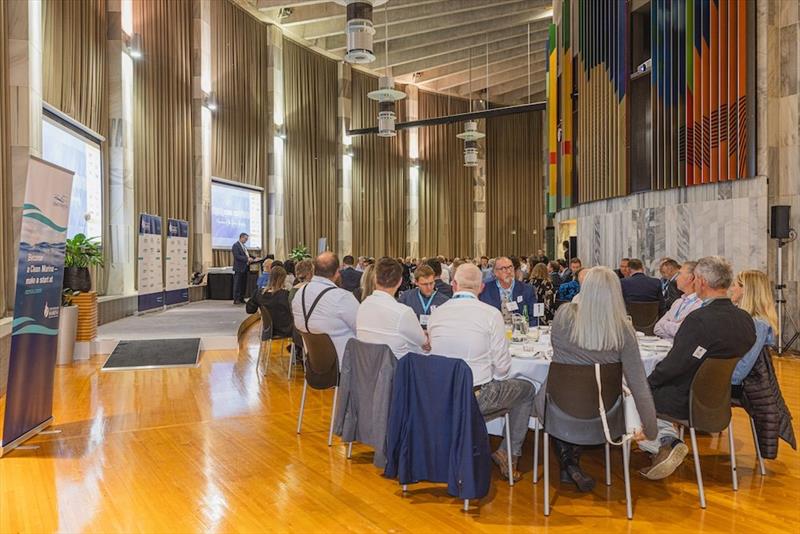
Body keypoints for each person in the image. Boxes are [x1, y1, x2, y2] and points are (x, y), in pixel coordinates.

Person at [534, 267, 658, 492]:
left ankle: (569, 465)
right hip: (605, 410)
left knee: (562, 398)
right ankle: (570, 466)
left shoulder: (563, 315)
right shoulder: (623, 330)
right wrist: (650, 428)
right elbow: (638, 382)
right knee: (585, 397)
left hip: (558, 405)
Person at [638, 256, 756, 480]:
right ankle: (660, 443)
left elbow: (675, 366)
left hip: (687, 399)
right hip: (719, 398)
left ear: (700, 282)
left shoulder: (699, 320)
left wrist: (647, 383)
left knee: (637, 392)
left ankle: (665, 442)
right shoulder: (745, 320)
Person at [427, 263, 535, 482]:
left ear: (454, 285)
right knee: (527, 389)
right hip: (476, 398)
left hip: (439, 397)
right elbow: (503, 369)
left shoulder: (436, 315)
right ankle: (508, 452)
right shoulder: (490, 314)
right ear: (481, 288)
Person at [291, 252, 359, 364]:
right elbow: (361, 328)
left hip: (313, 363)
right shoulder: (342, 297)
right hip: (344, 367)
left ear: (314, 269)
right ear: (338, 272)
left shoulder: (299, 293)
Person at [357, 257, 429, 359]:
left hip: (366, 369)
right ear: (400, 281)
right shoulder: (403, 312)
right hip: (397, 371)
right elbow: (424, 343)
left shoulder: (362, 306)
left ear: (375, 278)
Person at [729, 270, 779, 389]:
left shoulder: (758, 323)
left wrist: (729, 381)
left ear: (745, 290)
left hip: (749, 385)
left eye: (734, 285)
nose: (731, 289)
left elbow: (747, 360)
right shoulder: (747, 318)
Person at [479, 256, 538, 326]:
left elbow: (534, 317)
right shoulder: (485, 289)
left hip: (520, 333)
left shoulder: (527, 290)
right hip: (494, 333)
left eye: (510, 267)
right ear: (495, 272)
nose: (509, 271)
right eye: (503, 268)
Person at [653, 261, 701, 340]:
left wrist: (666, 324)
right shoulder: (678, 302)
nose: (677, 278)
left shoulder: (700, 304)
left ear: (691, 278)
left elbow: (685, 332)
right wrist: (674, 326)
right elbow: (657, 328)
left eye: (680, 274)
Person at [246, 266, 294, 338]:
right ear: (283, 279)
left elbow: (249, 310)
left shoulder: (259, 293)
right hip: (286, 331)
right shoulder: (286, 295)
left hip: (268, 331)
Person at [231, 232, 254, 304]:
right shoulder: (235, 246)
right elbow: (237, 256)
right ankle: (236, 299)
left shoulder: (244, 246)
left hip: (245, 268)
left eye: (247, 239)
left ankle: (241, 298)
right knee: (237, 284)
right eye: (245, 239)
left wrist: (254, 258)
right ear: (241, 237)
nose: (246, 240)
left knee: (243, 284)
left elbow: (247, 255)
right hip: (239, 268)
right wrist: (247, 259)